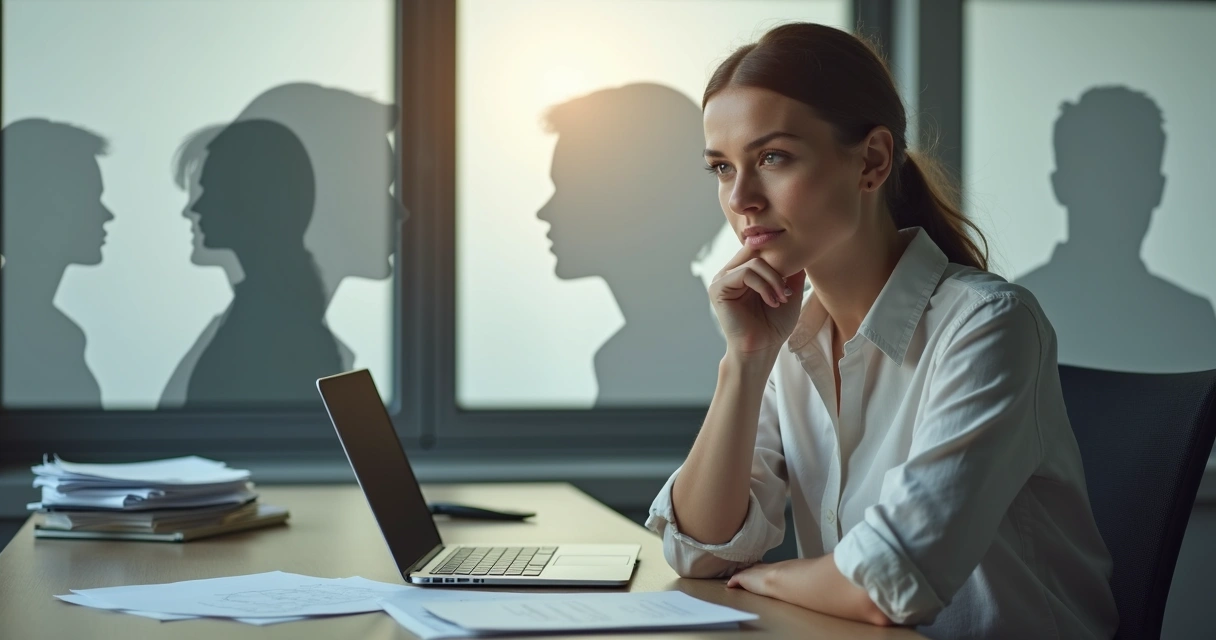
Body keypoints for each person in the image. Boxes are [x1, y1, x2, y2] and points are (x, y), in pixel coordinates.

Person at [645, 23, 1118, 640]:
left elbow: (889, 582)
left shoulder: (988, 326)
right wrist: (745, 358)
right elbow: (701, 550)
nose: (741, 198)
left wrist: (771, 578)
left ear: (871, 161)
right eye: (720, 167)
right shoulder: (785, 337)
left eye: (773, 158)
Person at [538, 83, 725, 407]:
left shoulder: (658, 359)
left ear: (636, 202)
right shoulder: (635, 354)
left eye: (569, 189)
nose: (544, 212)